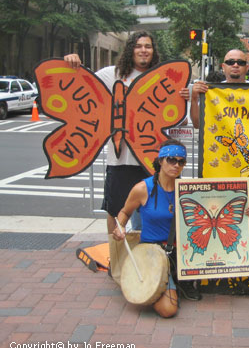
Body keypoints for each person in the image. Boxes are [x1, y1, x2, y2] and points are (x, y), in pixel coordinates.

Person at [64, 31, 191, 288]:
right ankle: (117, 257)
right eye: (139, 46)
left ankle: (151, 258)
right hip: (119, 160)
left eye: (148, 47)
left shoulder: (163, 79)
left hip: (152, 161)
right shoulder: (111, 74)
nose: (144, 50)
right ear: (131, 49)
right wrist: (72, 62)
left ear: (154, 52)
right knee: (115, 210)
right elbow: (82, 84)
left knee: (149, 215)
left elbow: (183, 121)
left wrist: (187, 99)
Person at [112, 139, 249, 317]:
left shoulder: (190, 190)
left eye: (181, 161)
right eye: (171, 159)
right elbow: (124, 212)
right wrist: (120, 227)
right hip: (153, 252)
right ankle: (168, 282)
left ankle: (178, 279)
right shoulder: (143, 188)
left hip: (182, 251)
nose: (176, 165)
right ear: (160, 161)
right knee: (168, 310)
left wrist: (245, 211)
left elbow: (219, 208)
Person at [189, 49, 249, 128]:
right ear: (223, 67)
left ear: (247, 67)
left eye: (240, 62)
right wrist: (194, 98)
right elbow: (197, 124)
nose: (235, 65)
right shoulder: (211, 92)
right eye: (230, 62)